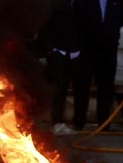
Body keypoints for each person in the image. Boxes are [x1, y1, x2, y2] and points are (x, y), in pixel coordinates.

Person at [72, 0, 123, 129]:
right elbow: (77, 20)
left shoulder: (116, 2)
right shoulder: (83, 2)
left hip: (108, 50)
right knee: (82, 87)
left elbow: (121, 18)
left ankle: (103, 123)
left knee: (106, 88)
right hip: (87, 50)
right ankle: (79, 121)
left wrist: (111, 34)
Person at [41, 0, 81, 134]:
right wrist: (51, 49)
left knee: (65, 87)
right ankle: (56, 121)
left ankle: (64, 121)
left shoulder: (80, 4)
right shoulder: (56, 4)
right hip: (58, 51)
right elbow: (44, 25)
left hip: (74, 51)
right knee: (57, 86)